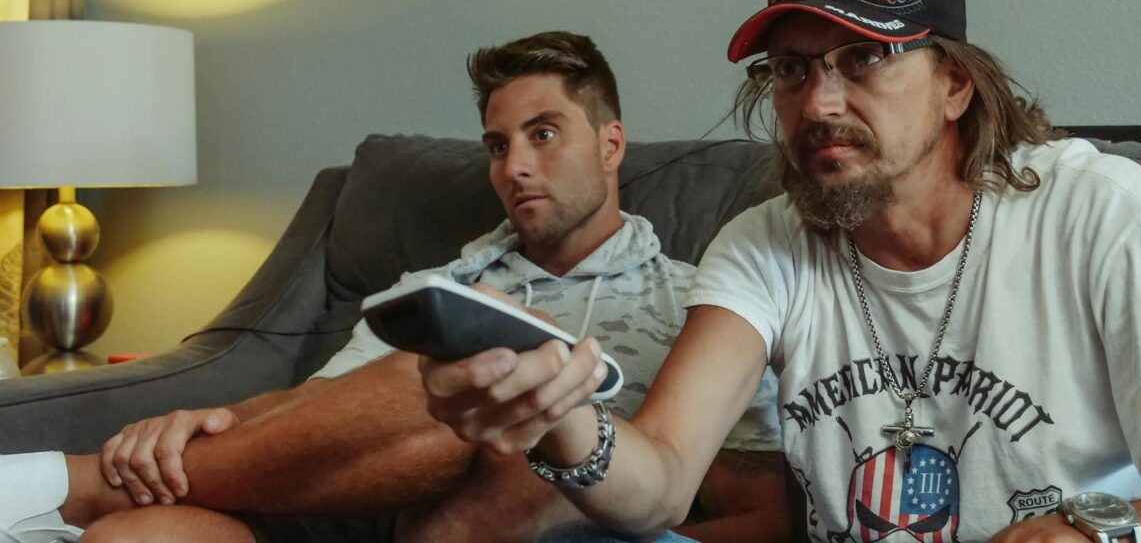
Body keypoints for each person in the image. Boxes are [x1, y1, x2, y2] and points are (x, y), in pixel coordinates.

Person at [419, 0, 1141, 543]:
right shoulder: (764, 248)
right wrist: (557, 404)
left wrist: (1093, 533)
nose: (820, 103)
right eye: (791, 70)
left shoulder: (1099, 214)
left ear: (954, 84)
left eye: (864, 57)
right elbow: (658, 483)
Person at [0, 31, 786, 543]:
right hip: (336, 521)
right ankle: (82, 492)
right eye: (498, 144)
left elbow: (765, 514)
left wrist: (582, 517)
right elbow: (309, 420)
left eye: (544, 135)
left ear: (612, 144)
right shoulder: (438, 287)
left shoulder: (702, 303)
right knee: (141, 536)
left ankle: (59, 484)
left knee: (472, 379)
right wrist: (193, 424)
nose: (513, 167)